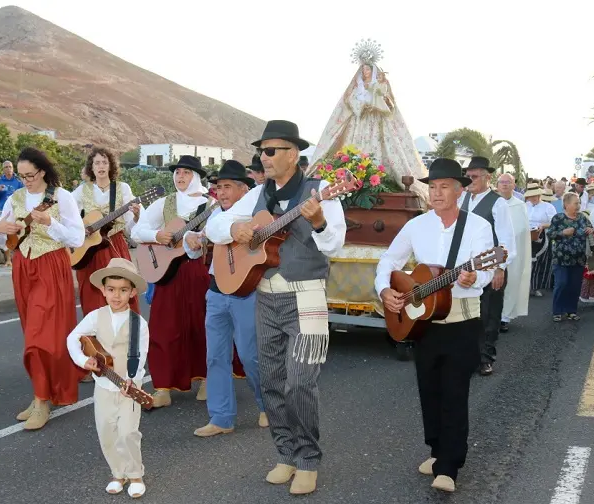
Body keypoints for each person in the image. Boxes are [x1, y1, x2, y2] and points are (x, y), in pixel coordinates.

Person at [206, 120, 346, 495]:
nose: (263, 158)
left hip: (306, 296)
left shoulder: (322, 192)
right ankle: (285, 454)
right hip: (265, 296)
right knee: (270, 380)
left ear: (293, 154)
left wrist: (318, 223)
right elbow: (215, 225)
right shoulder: (257, 194)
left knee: (300, 382)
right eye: (262, 152)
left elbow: (334, 245)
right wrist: (235, 231)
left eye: (271, 151)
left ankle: (308, 460)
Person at [375, 158, 494, 493]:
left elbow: (484, 272)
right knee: (429, 389)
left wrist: (473, 276)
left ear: (459, 190)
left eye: (444, 187)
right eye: (433, 186)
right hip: (424, 323)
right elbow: (390, 260)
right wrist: (386, 289)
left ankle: (450, 465)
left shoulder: (478, 227)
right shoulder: (418, 225)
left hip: (462, 322)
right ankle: (437, 450)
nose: (437, 192)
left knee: (454, 392)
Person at [0, 147, 86, 430]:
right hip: (23, 267)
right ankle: (42, 393)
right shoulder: (15, 197)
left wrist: (51, 222)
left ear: (42, 171)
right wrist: (0, 229)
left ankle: (43, 400)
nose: (25, 181)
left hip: (51, 266)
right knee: (31, 332)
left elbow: (78, 237)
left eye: (30, 175)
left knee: (41, 337)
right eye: (21, 176)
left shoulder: (61, 197)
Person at [184, 160, 267, 437]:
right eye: (218, 188)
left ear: (245, 190)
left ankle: (268, 405)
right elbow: (195, 251)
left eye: (227, 187)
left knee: (249, 354)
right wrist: (192, 240)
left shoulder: (256, 215)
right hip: (216, 291)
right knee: (216, 357)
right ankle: (221, 418)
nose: (221, 192)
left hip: (246, 291)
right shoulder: (213, 216)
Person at [130, 155, 212, 408]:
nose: (180, 177)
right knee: (164, 328)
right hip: (167, 273)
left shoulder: (211, 204)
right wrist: (157, 234)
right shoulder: (164, 203)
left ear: (196, 176)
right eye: (177, 172)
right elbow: (136, 231)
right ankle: (163, 386)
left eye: (186, 172)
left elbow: (218, 233)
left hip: (199, 271)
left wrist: (201, 239)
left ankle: (208, 380)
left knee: (202, 326)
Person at [66, 258, 149, 499]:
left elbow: (140, 354)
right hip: (103, 385)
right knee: (106, 431)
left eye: (123, 290)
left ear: (132, 293)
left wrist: (132, 379)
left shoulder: (138, 323)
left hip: (128, 386)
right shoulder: (95, 316)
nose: (116, 295)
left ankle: (135, 474)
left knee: (127, 431)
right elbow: (73, 338)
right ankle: (117, 473)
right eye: (111, 289)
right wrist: (84, 361)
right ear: (102, 290)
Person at [308, 40, 428, 203]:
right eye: (363, 69)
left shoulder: (379, 84)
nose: (365, 72)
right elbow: (348, 100)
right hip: (359, 122)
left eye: (368, 69)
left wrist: (376, 102)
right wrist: (361, 105)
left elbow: (388, 103)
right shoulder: (357, 86)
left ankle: (377, 176)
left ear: (372, 70)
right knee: (355, 148)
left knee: (381, 146)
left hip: (378, 121)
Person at [459, 156, 517, 376]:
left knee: (489, 314)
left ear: (487, 176)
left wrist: (500, 269)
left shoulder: (498, 202)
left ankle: (486, 358)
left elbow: (506, 240)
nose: (470, 179)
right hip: (466, 267)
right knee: (468, 315)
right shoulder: (462, 199)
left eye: (474, 176)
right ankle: (469, 356)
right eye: (468, 176)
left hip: (491, 267)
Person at [70, 147, 141, 316]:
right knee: (92, 297)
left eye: (104, 162)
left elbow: (131, 227)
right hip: (89, 252)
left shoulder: (122, 189)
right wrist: (81, 228)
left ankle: (124, 337)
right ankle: (96, 339)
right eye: (97, 163)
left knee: (120, 293)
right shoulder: (82, 190)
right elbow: (66, 214)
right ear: (91, 167)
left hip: (114, 245)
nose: (101, 166)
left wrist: (137, 217)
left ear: (111, 166)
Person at [545, 193, 594, 322]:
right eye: (575, 203)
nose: (578, 206)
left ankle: (571, 310)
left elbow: (591, 228)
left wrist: (590, 230)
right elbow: (550, 234)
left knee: (575, 285)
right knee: (561, 283)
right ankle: (557, 310)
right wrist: (562, 233)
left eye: (578, 203)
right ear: (566, 205)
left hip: (578, 259)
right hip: (561, 258)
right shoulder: (558, 218)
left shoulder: (582, 218)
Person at [496, 174, 530, 332]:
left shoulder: (519, 205)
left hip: (514, 249)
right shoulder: (493, 203)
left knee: (512, 281)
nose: (505, 185)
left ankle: (505, 316)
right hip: (495, 250)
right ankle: (492, 315)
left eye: (508, 182)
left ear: (514, 185)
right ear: (497, 184)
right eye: (502, 182)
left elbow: (523, 229)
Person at [524, 183, 557, 298]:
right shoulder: (525, 206)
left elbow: (554, 222)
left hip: (542, 237)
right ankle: (525, 287)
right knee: (526, 263)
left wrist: (543, 225)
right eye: (531, 196)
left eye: (536, 195)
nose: (534, 198)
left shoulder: (548, 207)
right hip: (526, 235)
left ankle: (536, 287)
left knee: (539, 263)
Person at [0, 160, 24, 267]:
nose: (8, 169)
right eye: (6, 167)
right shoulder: (0, 182)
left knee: (20, 234)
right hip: (3, 212)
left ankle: (21, 258)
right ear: (3, 169)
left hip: (17, 211)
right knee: (5, 235)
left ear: (13, 168)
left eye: (10, 167)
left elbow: (26, 194)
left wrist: (17, 194)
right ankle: (8, 260)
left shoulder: (18, 181)